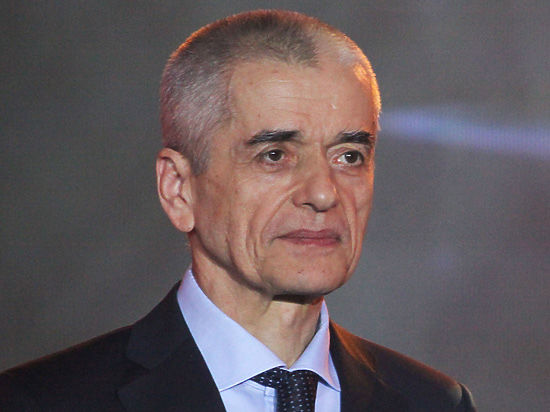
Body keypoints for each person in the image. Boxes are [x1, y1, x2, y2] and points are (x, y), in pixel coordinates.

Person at [0, 10, 476, 412]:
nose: (323, 193)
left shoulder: (434, 403)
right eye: (275, 155)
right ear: (178, 189)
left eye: (349, 156)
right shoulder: (40, 401)